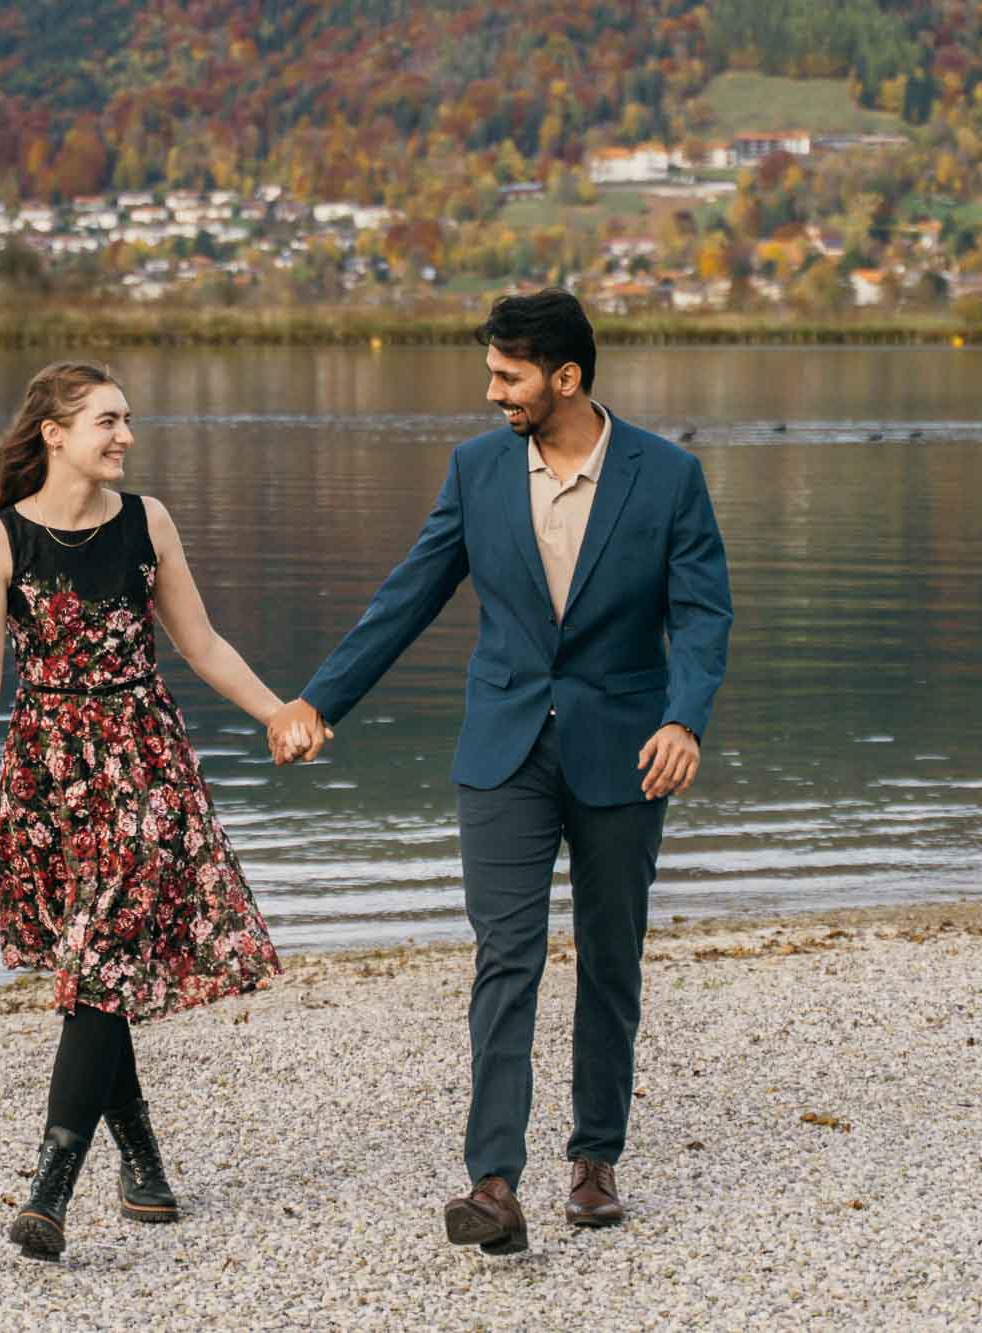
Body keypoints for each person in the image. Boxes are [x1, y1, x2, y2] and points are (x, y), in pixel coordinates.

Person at [268, 290, 732, 1255]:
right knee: (506, 957)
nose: (492, 392)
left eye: (509, 375)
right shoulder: (476, 469)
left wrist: (685, 718)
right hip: (502, 750)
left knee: (610, 955)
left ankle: (595, 1159)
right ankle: (493, 1181)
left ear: (566, 377)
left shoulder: (668, 475)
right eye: (491, 372)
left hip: (627, 750)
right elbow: (410, 593)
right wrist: (319, 700)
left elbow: (702, 614)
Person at [0, 360, 293, 1262]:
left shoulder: (148, 521)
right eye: (107, 420)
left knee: (98, 961)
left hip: (143, 764)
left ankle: (50, 1189)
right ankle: (142, 1159)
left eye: (126, 418)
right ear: (54, 433)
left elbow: (202, 643)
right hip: (48, 777)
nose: (126, 435)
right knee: (94, 968)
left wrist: (277, 712)